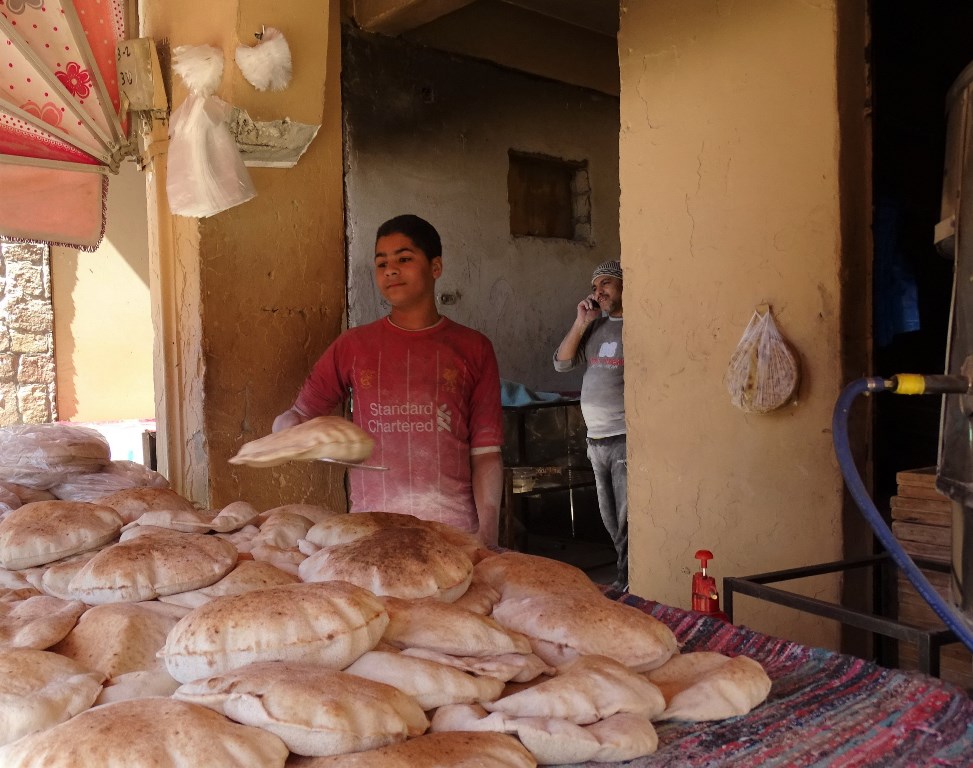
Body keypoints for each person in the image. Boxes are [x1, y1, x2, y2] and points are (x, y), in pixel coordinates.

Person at [273, 214, 505, 546]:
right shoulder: (354, 346)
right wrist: (284, 429)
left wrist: (488, 535)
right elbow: (300, 414)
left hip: (452, 532)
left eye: (404, 259)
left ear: (435, 267)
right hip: (370, 533)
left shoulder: (473, 348)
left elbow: (486, 453)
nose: (390, 270)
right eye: (381, 263)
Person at [553, 260, 627, 590]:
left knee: (627, 519)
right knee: (610, 519)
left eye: (607, 283)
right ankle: (627, 580)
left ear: (626, 285)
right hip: (595, 439)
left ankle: (627, 584)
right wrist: (581, 321)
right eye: (596, 286)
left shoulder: (635, 326)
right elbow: (562, 362)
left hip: (623, 437)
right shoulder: (597, 327)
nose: (599, 291)